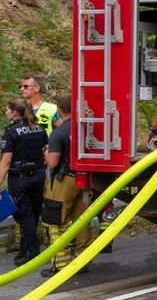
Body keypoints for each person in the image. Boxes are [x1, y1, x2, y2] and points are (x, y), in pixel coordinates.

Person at [41, 95, 93, 276]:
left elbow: (53, 162)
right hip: (83, 177)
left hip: (63, 180)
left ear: (59, 111)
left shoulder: (58, 133)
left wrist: (47, 153)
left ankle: (60, 265)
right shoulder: (84, 127)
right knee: (81, 219)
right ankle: (83, 260)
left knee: (55, 220)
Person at [1, 99, 49, 265]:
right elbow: (46, 150)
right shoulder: (38, 128)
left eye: (7, 109)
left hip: (20, 178)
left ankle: (32, 251)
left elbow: (6, 162)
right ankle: (25, 248)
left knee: (23, 215)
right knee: (34, 213)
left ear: (15, 112)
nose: (5, 112)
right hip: (39, 175)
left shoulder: (11, 132)